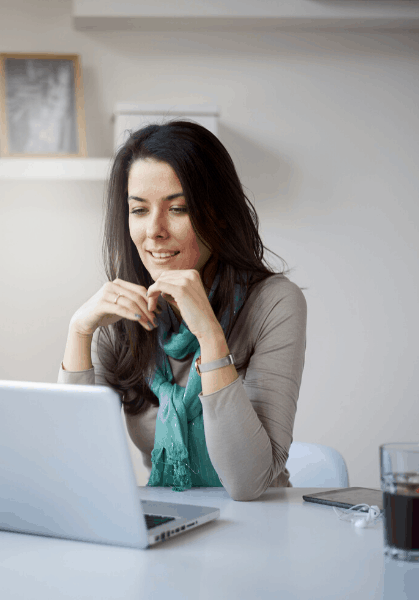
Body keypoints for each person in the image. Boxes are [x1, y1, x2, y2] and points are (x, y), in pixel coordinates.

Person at [58, 121, 307, 502]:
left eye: (178, 209)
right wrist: (78, 333)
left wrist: (210, 334)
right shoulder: (119, 315)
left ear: (219, 214)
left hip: (262, 527)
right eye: (139, 210)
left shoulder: (274, 303)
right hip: (166, 520)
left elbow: (247, 482)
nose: (154, 231)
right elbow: (71, 466)